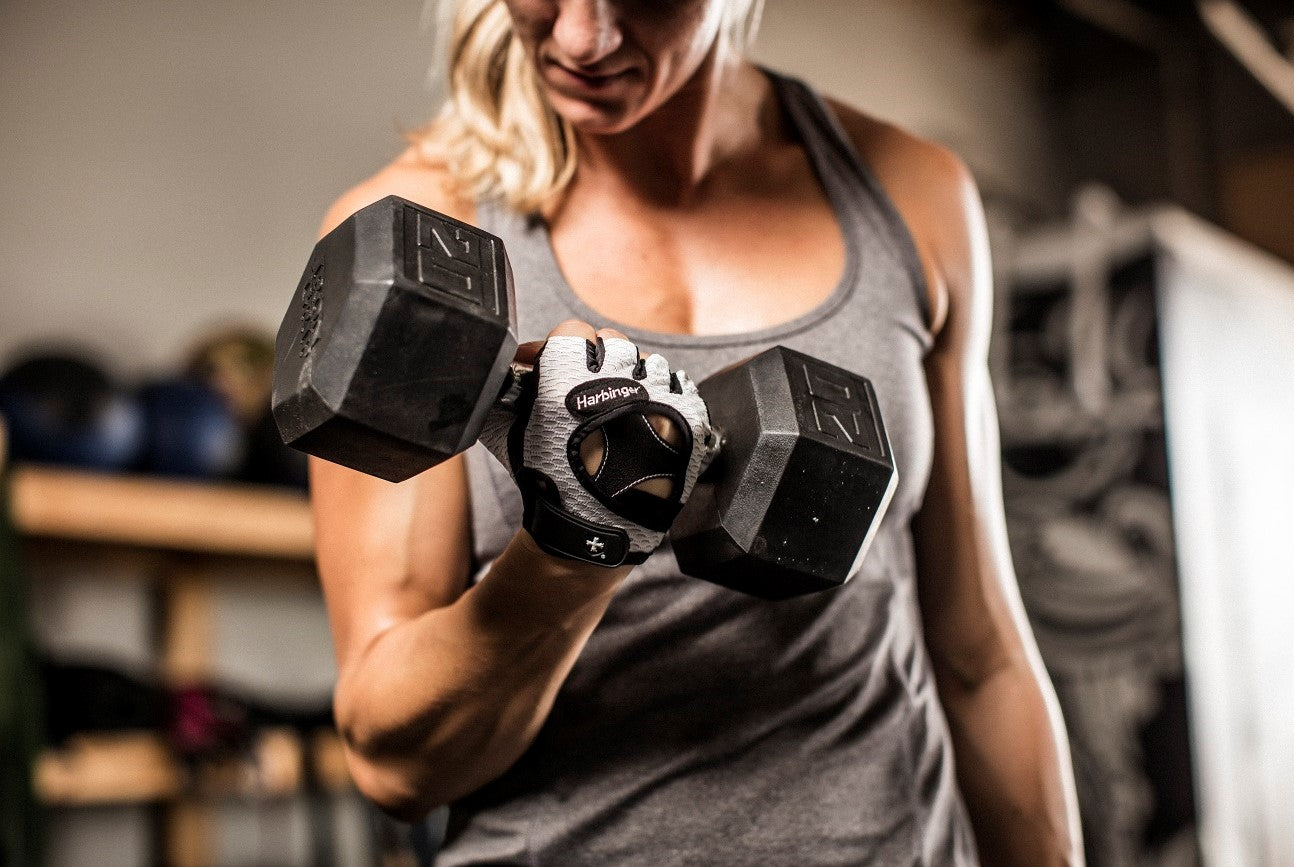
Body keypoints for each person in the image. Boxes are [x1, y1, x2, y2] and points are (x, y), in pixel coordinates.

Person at [311, 0, 1083, 863]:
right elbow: (396, 763)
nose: (582, 37)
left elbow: (979, 654)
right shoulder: (419, 234)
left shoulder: (911, 195)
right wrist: (577, 544)